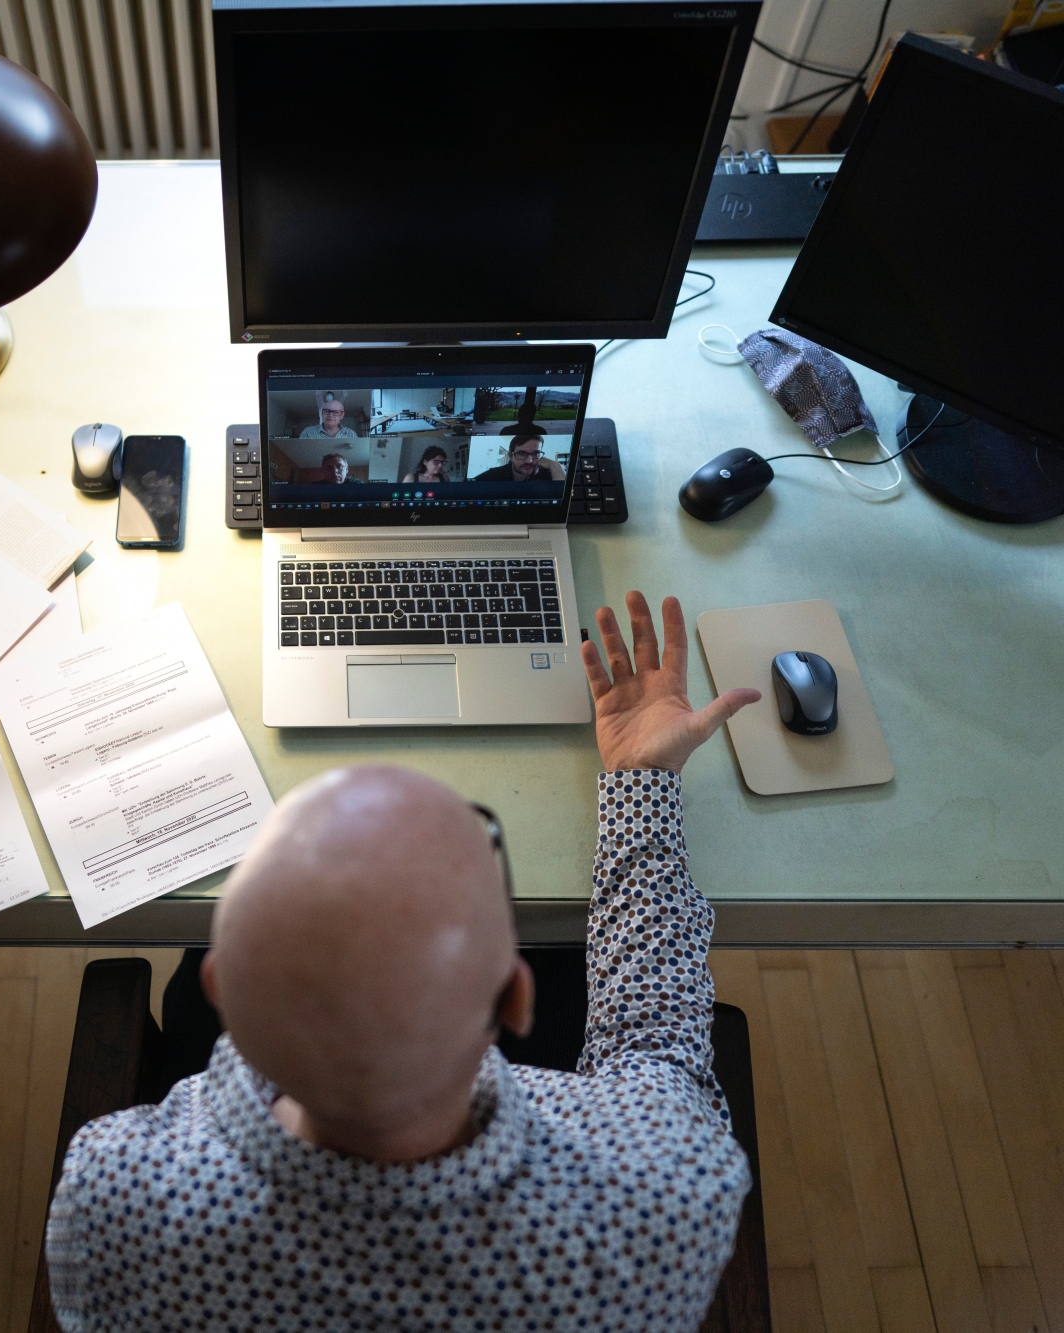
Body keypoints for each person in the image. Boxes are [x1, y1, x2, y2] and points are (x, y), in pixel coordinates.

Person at [47, 592, 762, 1332]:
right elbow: (656, 1034)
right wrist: (643, 778)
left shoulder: (115, 1190)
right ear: (515, 999)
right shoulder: (667, 1185)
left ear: (220, 985)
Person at [473, 427, 567, 482]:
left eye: (535, 453)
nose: (529, 461)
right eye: (522, 453)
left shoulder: (548, 474)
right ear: (510, 456)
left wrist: (555, 465)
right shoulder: (493, 476)